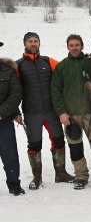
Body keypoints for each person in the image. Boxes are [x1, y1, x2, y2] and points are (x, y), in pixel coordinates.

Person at [51, 34, 91, 192]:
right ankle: (81, 176)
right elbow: (55, 91)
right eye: (71, 45)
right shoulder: (61, 67)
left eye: (77, 45)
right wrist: (62, 113)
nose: (74, 48)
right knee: (75, 148)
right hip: (70, 116)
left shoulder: (90, 63)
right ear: (68, 47)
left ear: (82, 46)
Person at [16, 32, 75, 190]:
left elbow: (65, 69)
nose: (33, 44)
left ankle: (61, 173)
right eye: (30, 41)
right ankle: (37, 177)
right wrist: (16, 111)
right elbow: (12, 89)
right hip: (31, 112)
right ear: (25, 44)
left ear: (39, 44)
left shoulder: (48, 61)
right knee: (34, 144)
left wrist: (81, 60)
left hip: (51, 111)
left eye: (36, 41)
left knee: (58, 140)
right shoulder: (18, 65)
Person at [0, 41, 25, 196]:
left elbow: (16, 94)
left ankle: (14, 185)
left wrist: (1, 113)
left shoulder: (8, 70)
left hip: (4, 122)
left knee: (10, 156)